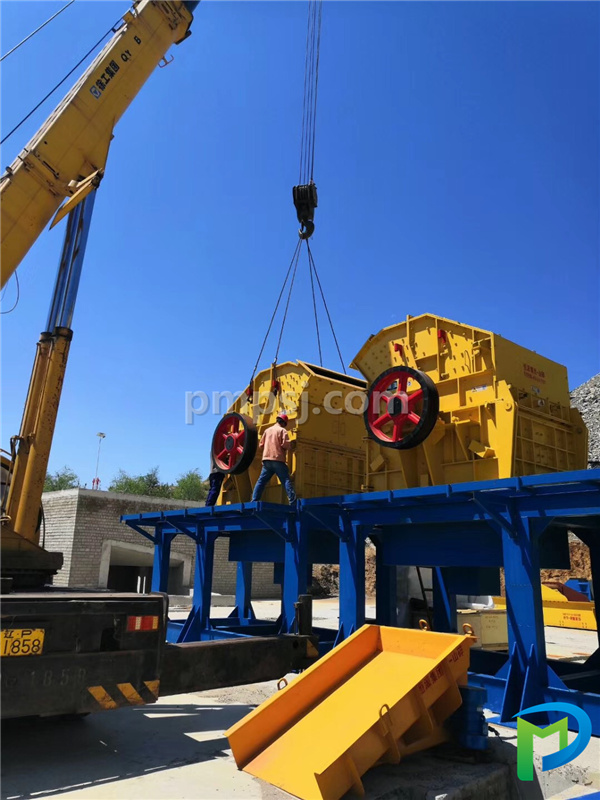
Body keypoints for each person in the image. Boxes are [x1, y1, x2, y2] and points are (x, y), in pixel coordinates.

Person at [251, 413, 296, 504]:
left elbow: (261, 445)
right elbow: (285, 444)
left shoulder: (267, 430)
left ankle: (254, 500)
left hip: (267, 460)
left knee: (261, 481)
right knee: (286, 480)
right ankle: (292, 500)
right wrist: (292, 445)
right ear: (283, 423)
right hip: (278, 459)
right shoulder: (282, 431)